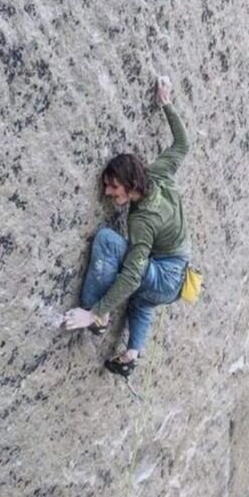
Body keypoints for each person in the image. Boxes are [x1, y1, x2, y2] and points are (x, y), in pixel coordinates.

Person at [64, 77, 191, 377]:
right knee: (142, 302)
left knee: (108, 240)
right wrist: (166, 103)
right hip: (177, 275)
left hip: (165, 275)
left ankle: (95, 317)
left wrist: (95, 311)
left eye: (114, 186)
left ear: (132, 184)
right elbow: (183, 145)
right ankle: (131, 354)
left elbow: (133, 274)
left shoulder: (142, 220)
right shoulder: (157, 173)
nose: (109, 193)